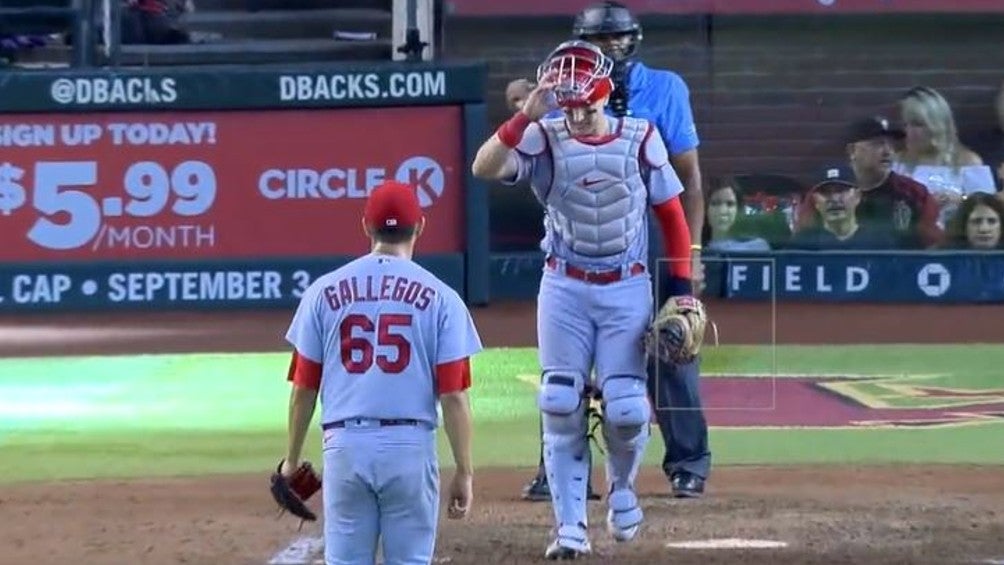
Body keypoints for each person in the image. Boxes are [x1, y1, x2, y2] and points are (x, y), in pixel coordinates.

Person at [472, 40, 696, 558]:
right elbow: (483, 167)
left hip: (626, 284)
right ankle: (569, 526)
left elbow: (672, 216)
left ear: (604, 96)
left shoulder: (640, 138)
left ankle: (622, 488)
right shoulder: (544, 136)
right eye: (568, 107)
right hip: (564, 285)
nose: (577, 117)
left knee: (627, 407)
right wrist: (525, 116)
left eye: (586, 107)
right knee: (558, 400)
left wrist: (682, 290)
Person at [514, 0, 712, 503]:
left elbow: (688, 179)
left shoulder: (664, 87)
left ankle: (688, 462)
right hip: (578, 226)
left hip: (650, 221)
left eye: (618, 38)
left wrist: (690, 253)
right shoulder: (561, 87)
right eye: (599, 40)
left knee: (671, 339)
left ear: (634, 40)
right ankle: (557, 467)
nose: (610, 47)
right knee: (567, 360)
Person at [278, 180, 482, 564]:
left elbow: (304, 387)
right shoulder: (443, 298)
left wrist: (291, 459)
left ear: (365, 226)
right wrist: (464, 471)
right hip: (409, 448)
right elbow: (454, 395)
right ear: (420, 226)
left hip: (344, 447)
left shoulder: (322, 291)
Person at [796, 116, 943, 249]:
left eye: (891, 145)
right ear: (852, 150)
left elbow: (935, 246)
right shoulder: (824, 193)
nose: (887, 151)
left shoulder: (914, 194)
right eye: (877, 144)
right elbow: (802, 241)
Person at [892, 86, 997, 227]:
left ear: (937, 125)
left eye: (917, 125)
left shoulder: (968, 162)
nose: (908, 132)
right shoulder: (897, 164)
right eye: (906, 125)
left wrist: (961, 200)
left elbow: (990, 209)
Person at [789, 167, 899, 250]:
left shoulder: (880, 243)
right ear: (815, 201)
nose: (834, 199)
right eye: (825, 192)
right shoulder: (802, 244)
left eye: (841, 190)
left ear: (857, 196)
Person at [703, 177, 771, 253]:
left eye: (730, 204)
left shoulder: (757, 247)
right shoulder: (695, 248)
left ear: (738, 209)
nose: (723, 211)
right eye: (715, 203)